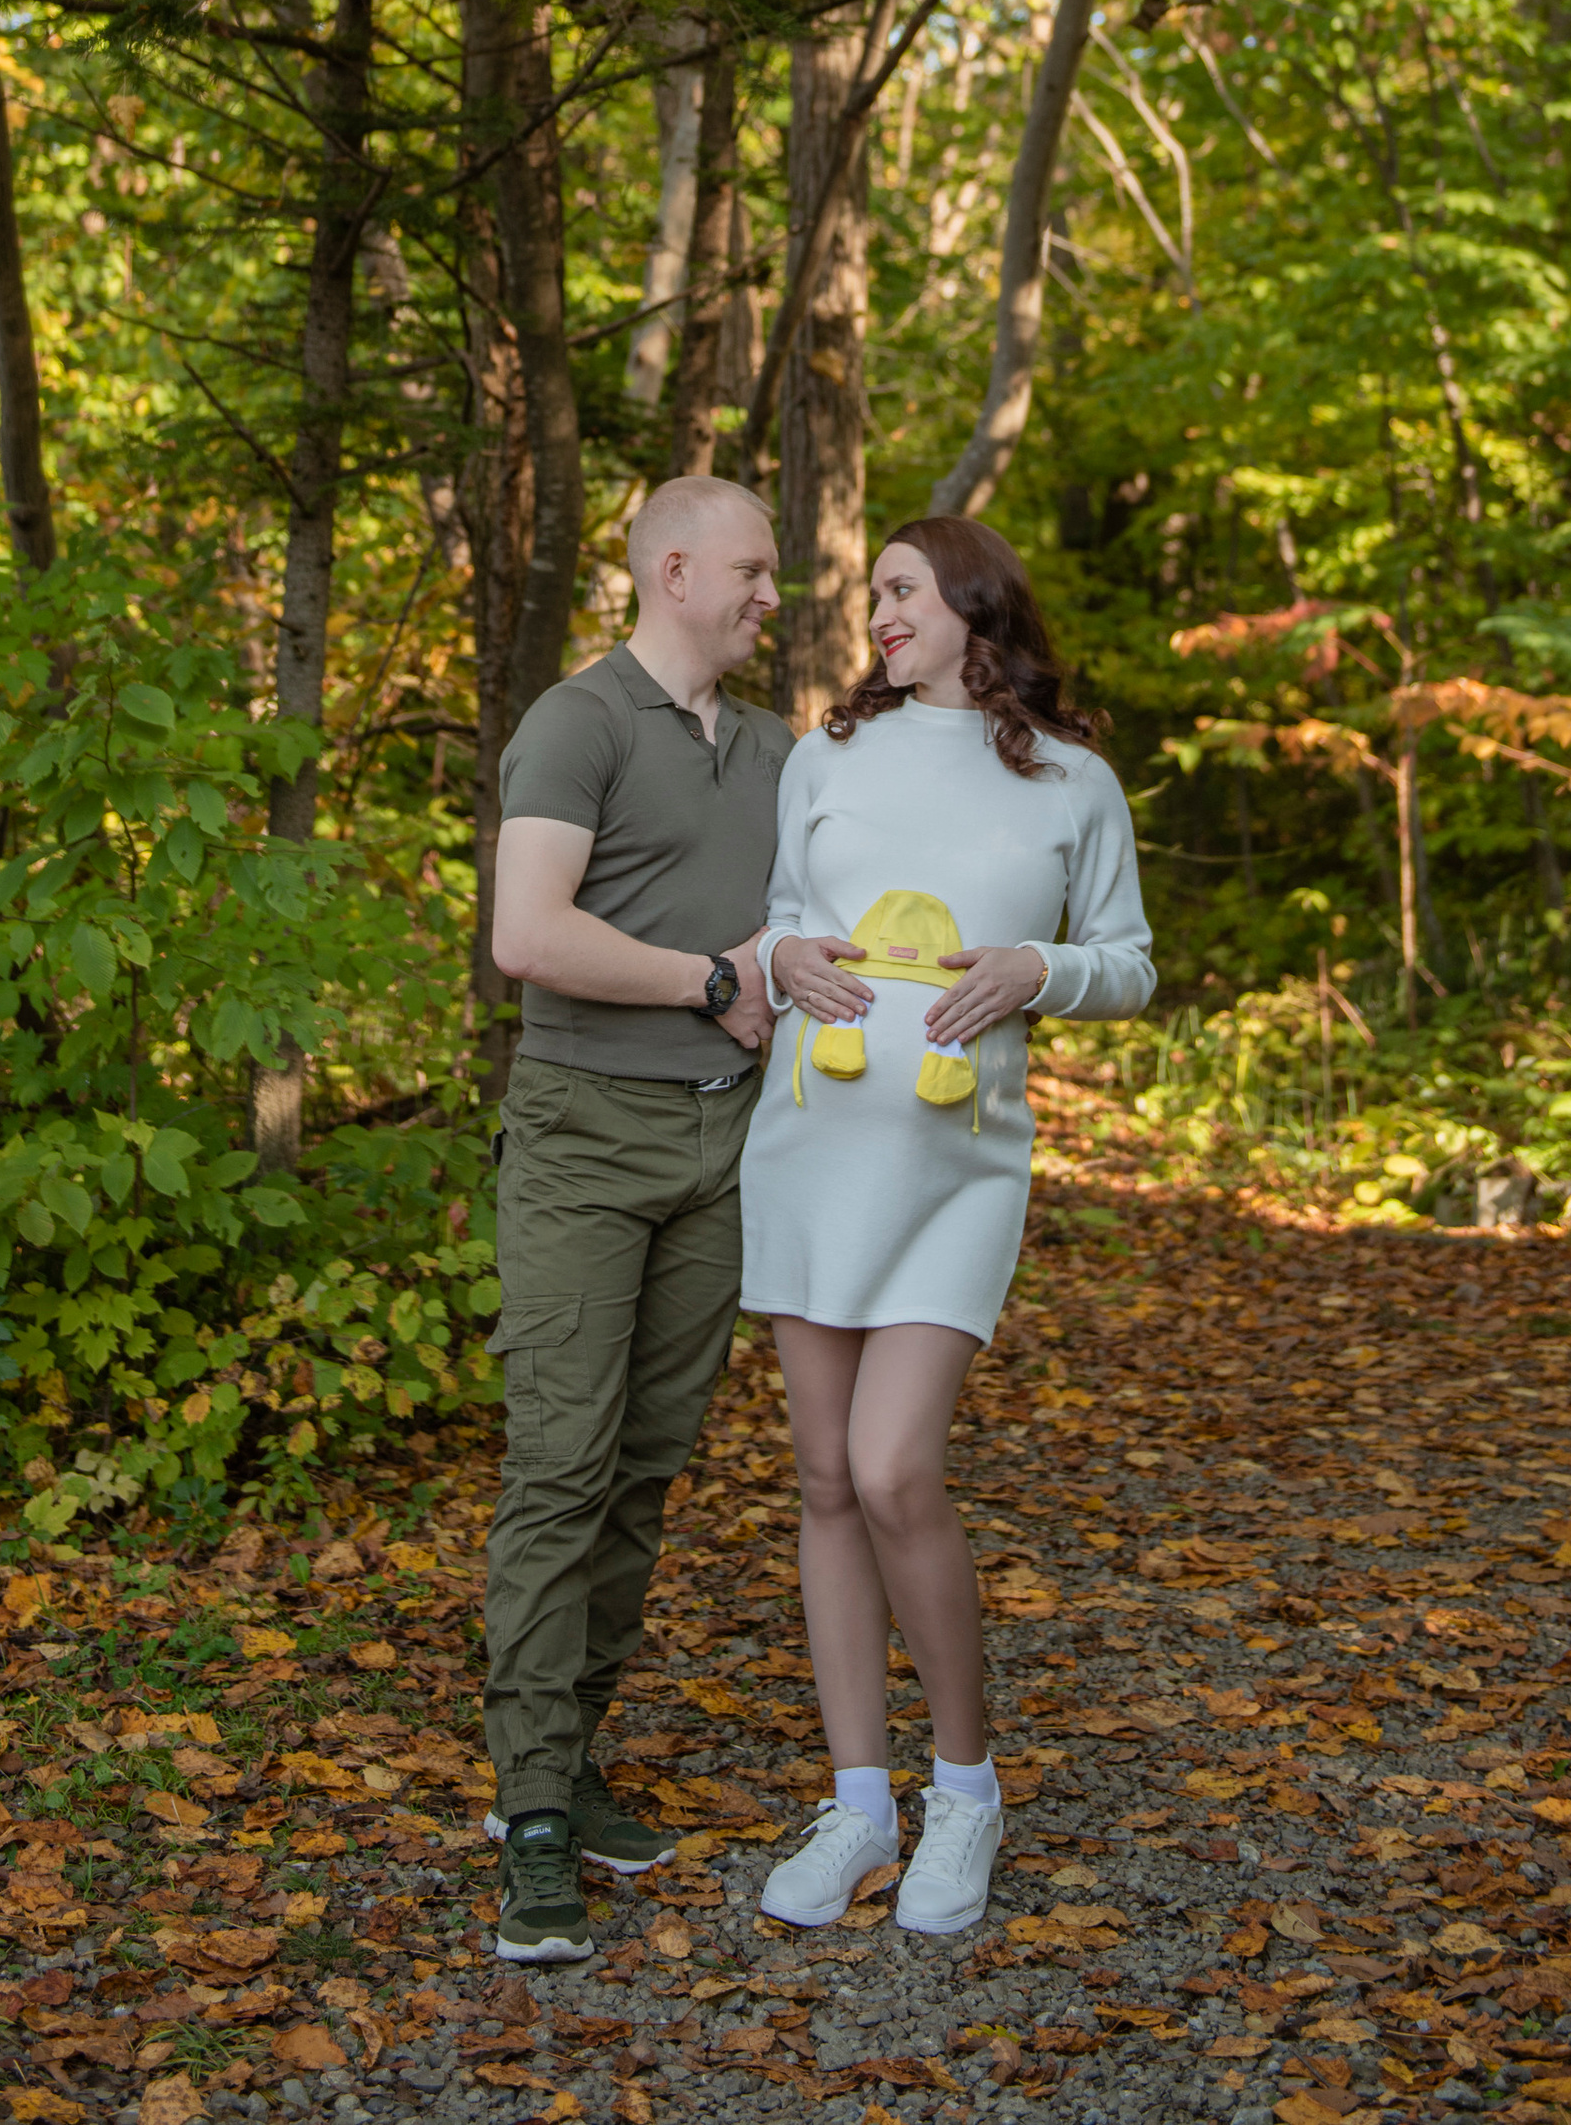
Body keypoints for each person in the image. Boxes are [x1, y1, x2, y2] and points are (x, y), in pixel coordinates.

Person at [739, 513, 1155, 1940]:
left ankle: (965, 1791)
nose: (879, 617)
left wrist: (1043, 968)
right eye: (871, 598)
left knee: (894, 1467)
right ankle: (859, 1808)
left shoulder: (1075, 787)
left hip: (959, 1164)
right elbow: (787, 927)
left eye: (901, 591)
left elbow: (1132, 963)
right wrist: (782, 956)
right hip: (808, 1142)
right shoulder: (826, 757)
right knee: (820, 1476)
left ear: (977, 607)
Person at [479, 472, 788, 1967]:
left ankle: (574, 1751)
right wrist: (710, 981)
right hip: (582, 1137)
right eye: (753, 572)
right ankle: (531, 1806)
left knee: (648, 1472)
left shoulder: (784, 749)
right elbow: (526, 934)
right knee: (562, 1463)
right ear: (674, 570)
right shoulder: (578, 722)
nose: (771, 598)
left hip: (728, 1151)